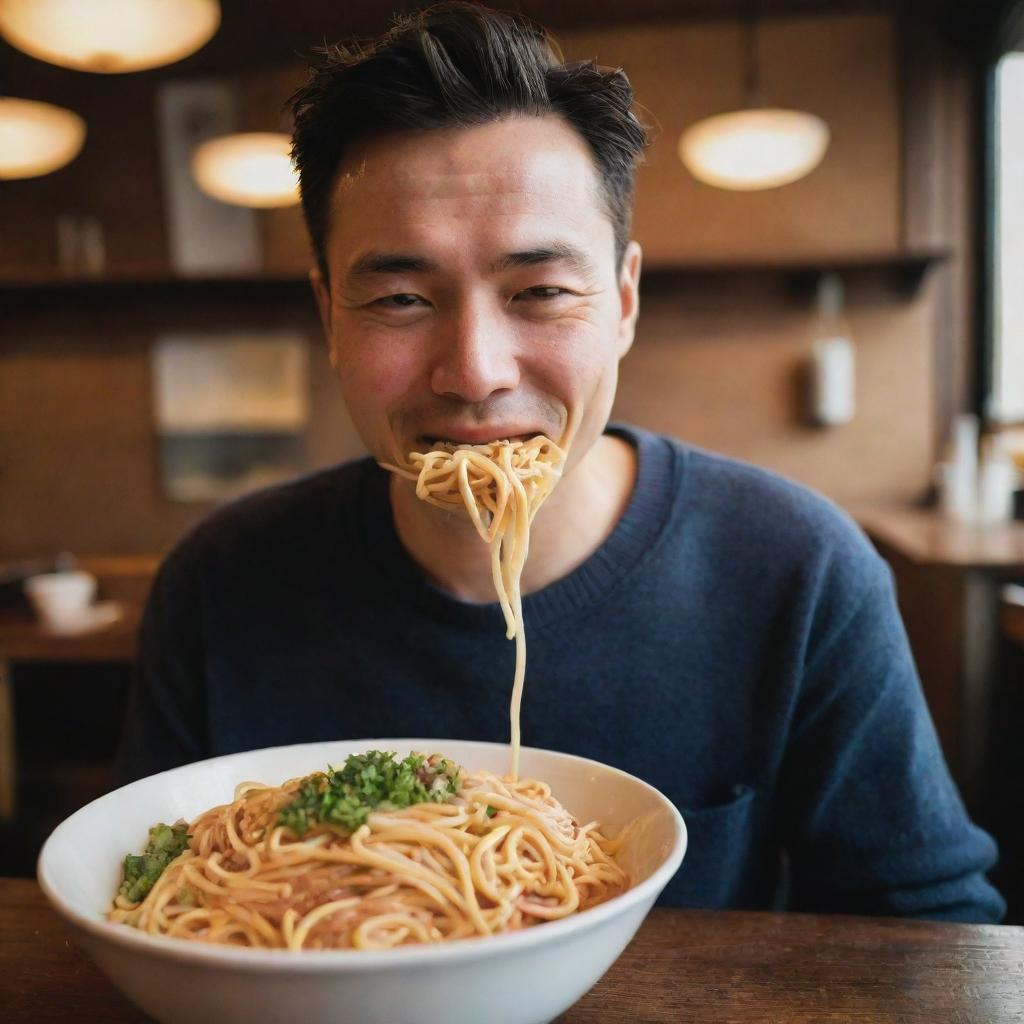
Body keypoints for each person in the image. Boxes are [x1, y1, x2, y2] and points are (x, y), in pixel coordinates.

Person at [116, 1, 1004, 922]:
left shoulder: (797, 568)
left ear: (621, 302)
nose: (474, 372)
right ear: (329, 314)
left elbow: (929, 928)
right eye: (400, 299)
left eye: (539, 290)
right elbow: (141, 896)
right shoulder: (221, 584)